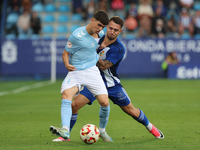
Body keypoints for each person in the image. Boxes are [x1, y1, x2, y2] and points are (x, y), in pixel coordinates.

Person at [53, 16, 164, 142]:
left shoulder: (119, 48)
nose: (112, 31)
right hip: (92, 79)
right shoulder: (96, 37)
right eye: (110, 28)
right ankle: (65, 136)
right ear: (106, 27)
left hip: (111, 84)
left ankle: (151, 128)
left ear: (120, 31)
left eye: (115, 30)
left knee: (131, 110)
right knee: (74, 105)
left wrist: (90, 54)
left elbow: (104, 65)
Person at [49, 10, 111, 141]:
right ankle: (65, 130)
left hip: (92, 72)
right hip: (76, 71)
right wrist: (66, 64)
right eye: (99, 25)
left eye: (103, 27)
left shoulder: (101, 33)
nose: (100, 29)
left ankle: (102, 131)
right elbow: (65, 53)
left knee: (105, 102)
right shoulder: (77, 35)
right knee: (66, 96)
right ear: (92, 20)